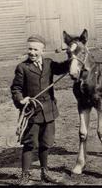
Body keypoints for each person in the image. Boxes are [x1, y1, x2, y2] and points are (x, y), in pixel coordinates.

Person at [10, 35, 69, 185]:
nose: (32, 52)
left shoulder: (49, 64)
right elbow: (16, 88)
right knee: (30, 144)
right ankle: (25, 175)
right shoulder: (22, 67)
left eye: (35, 49)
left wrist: (73, 55)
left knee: (46, 143)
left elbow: (64, 67)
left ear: (43, 50)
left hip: (49, 111)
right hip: (33, 112)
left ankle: (44, 172)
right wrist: (20, 99)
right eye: (30, 49)